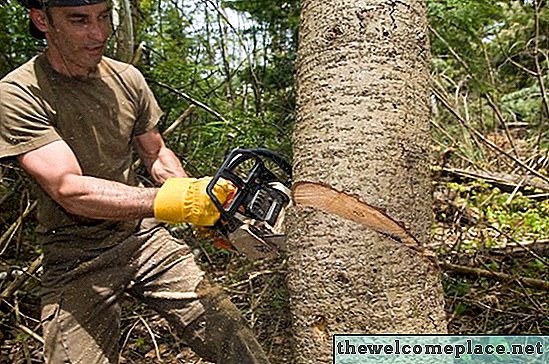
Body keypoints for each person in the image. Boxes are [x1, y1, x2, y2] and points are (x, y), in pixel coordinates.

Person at [0, 0, 272, 363]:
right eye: (79, 21)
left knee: (231, 335)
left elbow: (156, 155)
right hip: (75, 255)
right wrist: (178, 202)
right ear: (42, 20)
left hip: (143, 238)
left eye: (103, 17)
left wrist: (199, 199)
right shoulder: (19, 92)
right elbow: (69, 189)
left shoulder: (127, 79)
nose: (98, 33)